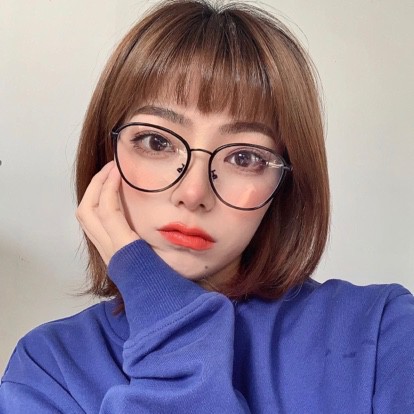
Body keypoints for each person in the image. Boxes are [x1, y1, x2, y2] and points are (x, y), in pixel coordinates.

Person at [1, 0, 413, 412]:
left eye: (244, 157)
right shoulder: (49, 368)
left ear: (285, 184)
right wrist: (166, 318)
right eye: (156, 142)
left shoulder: (383, 334)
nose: (194, 192)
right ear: (105, 154)